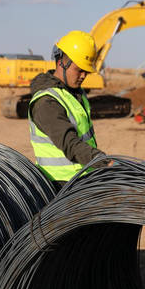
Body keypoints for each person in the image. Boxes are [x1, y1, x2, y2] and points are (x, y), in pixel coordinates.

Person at [28, 30, 105, 191]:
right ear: (62, 62)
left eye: (87, 71)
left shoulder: (75, 93)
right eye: (79, 70)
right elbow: (70, 144)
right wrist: (103, 161)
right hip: (61, 185)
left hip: (84, 175)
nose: (83, 76)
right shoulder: (46, 102)